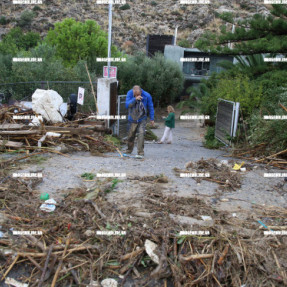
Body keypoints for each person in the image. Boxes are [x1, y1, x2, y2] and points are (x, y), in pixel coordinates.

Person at [125, 85, 154, 157]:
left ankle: (140, 152)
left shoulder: (147, 95)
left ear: (141, 91)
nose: (137, 95)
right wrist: (135, 99)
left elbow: (150, 106)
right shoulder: (129, 93)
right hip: (132, 118)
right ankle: (129, 150)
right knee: (131, 135)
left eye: (138, 94)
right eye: (135, 94)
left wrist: (152, 118)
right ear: (133, 92)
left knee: (141, 134)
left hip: (142, 118)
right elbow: (127, 105)